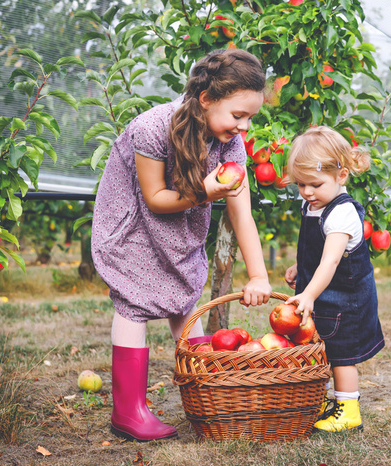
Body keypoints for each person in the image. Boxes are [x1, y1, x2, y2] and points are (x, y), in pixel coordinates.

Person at [91, 49, 272, 442]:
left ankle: (203, 390)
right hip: (132, 225)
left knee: (184, 294)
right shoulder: (153, 127)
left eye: (250, 118)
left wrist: (258, 274)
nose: (243, 127)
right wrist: (205, 191)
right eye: (237, 115)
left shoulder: (229, 145)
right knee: (133, 304)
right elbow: (155, 198)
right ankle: (128, 410)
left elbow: (242, 214)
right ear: (206, 98)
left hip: (179, 229)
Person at [284, 126, 385, 433]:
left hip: (346, 298)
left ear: (341, 176)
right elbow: (316, 252)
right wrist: (299, 268)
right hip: (326, 292)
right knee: (321, 348)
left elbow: (330, 261)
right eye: (300, 184)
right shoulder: (313, 204)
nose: (307, 192)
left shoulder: (341, 213)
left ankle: (348, 409)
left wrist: (309, 293)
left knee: (342, 354)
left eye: (314, 184)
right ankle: (327, 401)